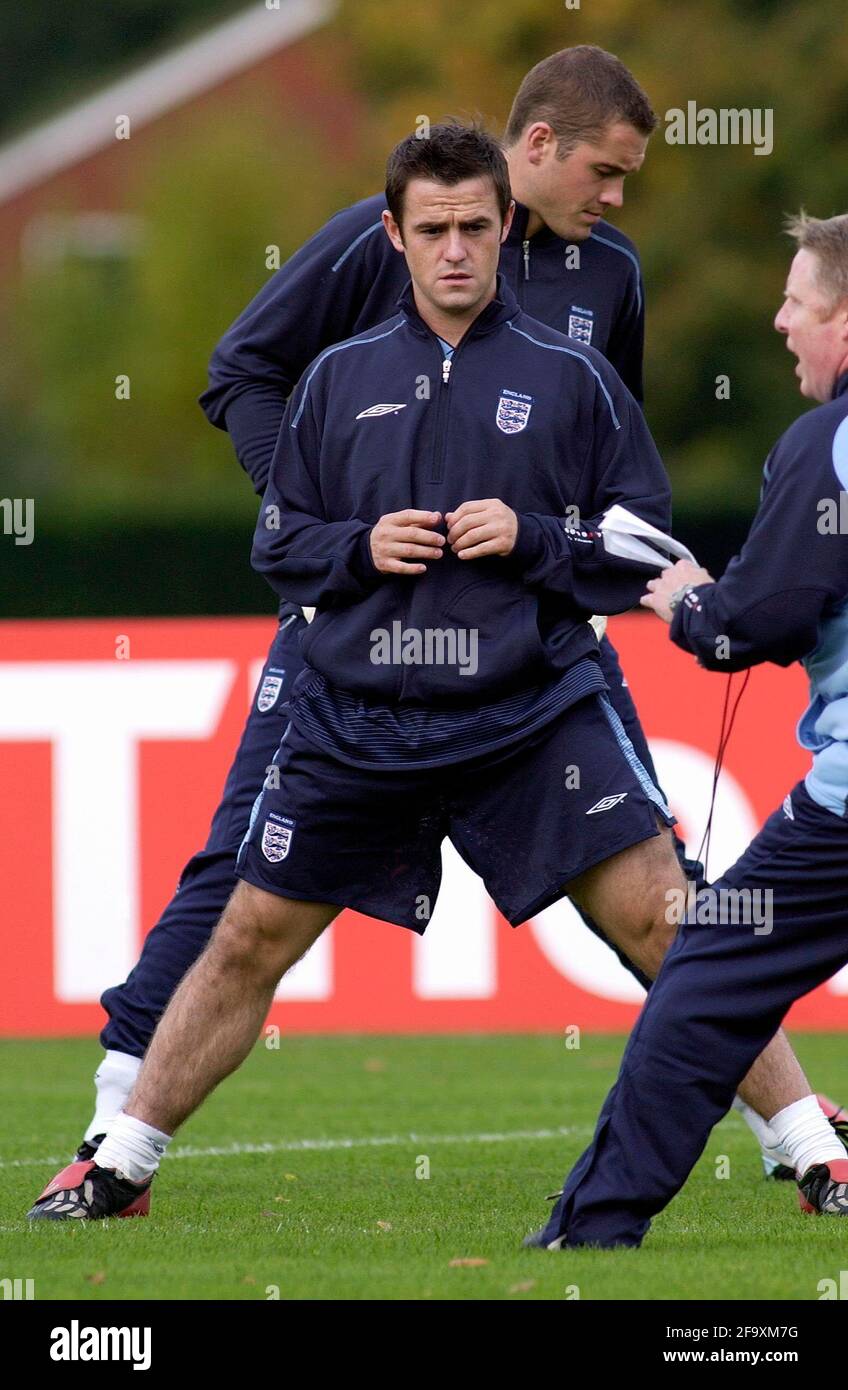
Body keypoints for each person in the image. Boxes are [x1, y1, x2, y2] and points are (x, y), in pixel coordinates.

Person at [32, 47, 840, 1204]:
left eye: (475, 230)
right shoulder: (366, 276)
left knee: (663, 894)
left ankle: (804, 1137)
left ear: (504, 215)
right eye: (606, 171)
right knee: (240, 885)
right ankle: (119, 1130)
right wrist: (329, 531)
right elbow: (244, 377)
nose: (616, 198)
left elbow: (610, 487)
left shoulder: (604, 272)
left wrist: (551, 550)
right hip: (354, 642)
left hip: (530, 661)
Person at [526, 211, 848, 1250]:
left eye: (797, 302)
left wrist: (687, 604)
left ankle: (593, 1227)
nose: (778, 319)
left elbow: (758, 622)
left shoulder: (826, 443)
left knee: (706, 973)